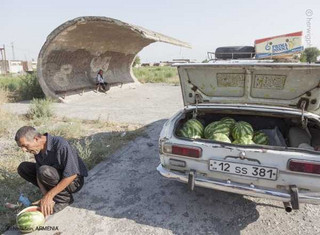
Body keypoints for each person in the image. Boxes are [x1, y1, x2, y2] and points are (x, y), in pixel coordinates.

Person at [15, 126, 88, 217]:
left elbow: (72, 174)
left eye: (25, 145)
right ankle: (55, 197)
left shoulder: (60, 144)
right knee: (23, 168)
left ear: (36, 139)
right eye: (21, 147)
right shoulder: (37, 149)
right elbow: (38, 174)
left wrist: (49, 196)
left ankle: (64, 200)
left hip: (73, 182)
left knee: (44, 171)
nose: (24, 150)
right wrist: (45, 196)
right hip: (54, 175)